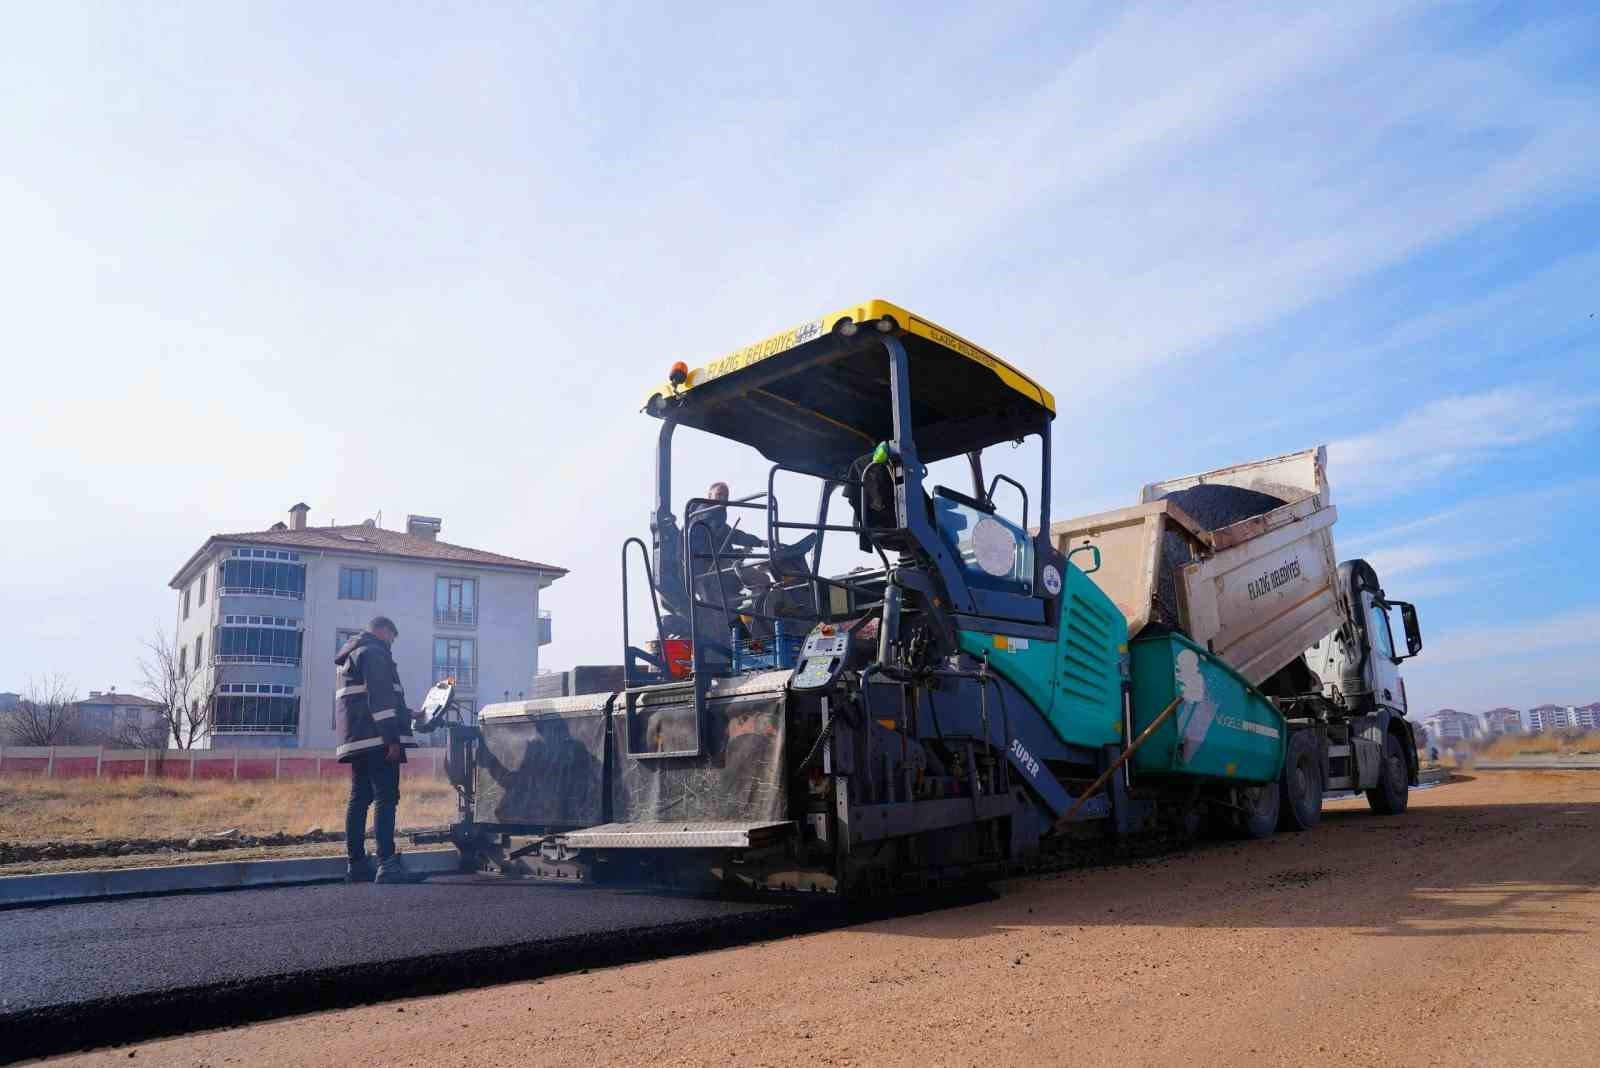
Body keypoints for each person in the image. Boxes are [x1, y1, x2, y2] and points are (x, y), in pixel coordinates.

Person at [335, 616, 425, 884]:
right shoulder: (374, 653)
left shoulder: (352, 654)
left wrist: (410, 714)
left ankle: (357, 864)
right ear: (384, 631)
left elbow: (368, 699)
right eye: (392, 638)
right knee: (386, 798)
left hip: (358, 740)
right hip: (378, 740)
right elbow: (381, 700)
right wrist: (392, 740)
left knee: (359, 799)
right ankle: (387, 864)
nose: (392, 644)